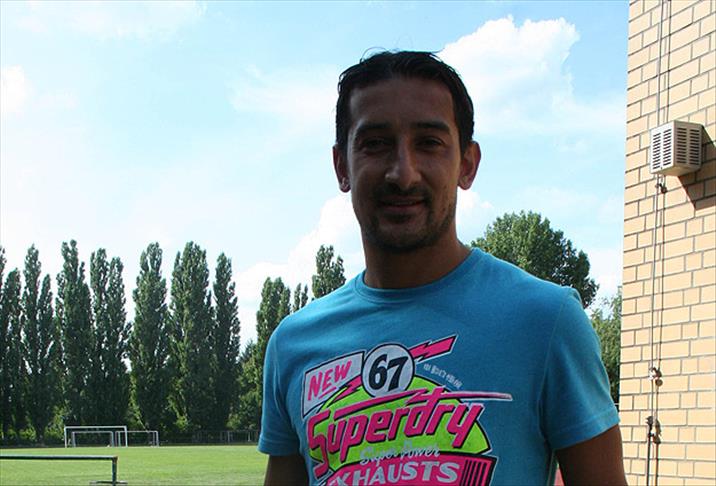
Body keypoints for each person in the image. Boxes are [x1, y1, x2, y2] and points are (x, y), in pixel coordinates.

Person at [259, 50, 626, 486]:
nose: (403, 174)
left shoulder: (547, 321)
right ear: (342, 167)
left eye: (429, 143)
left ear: (467, 164)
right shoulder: (293, 344)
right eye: (375, 143)